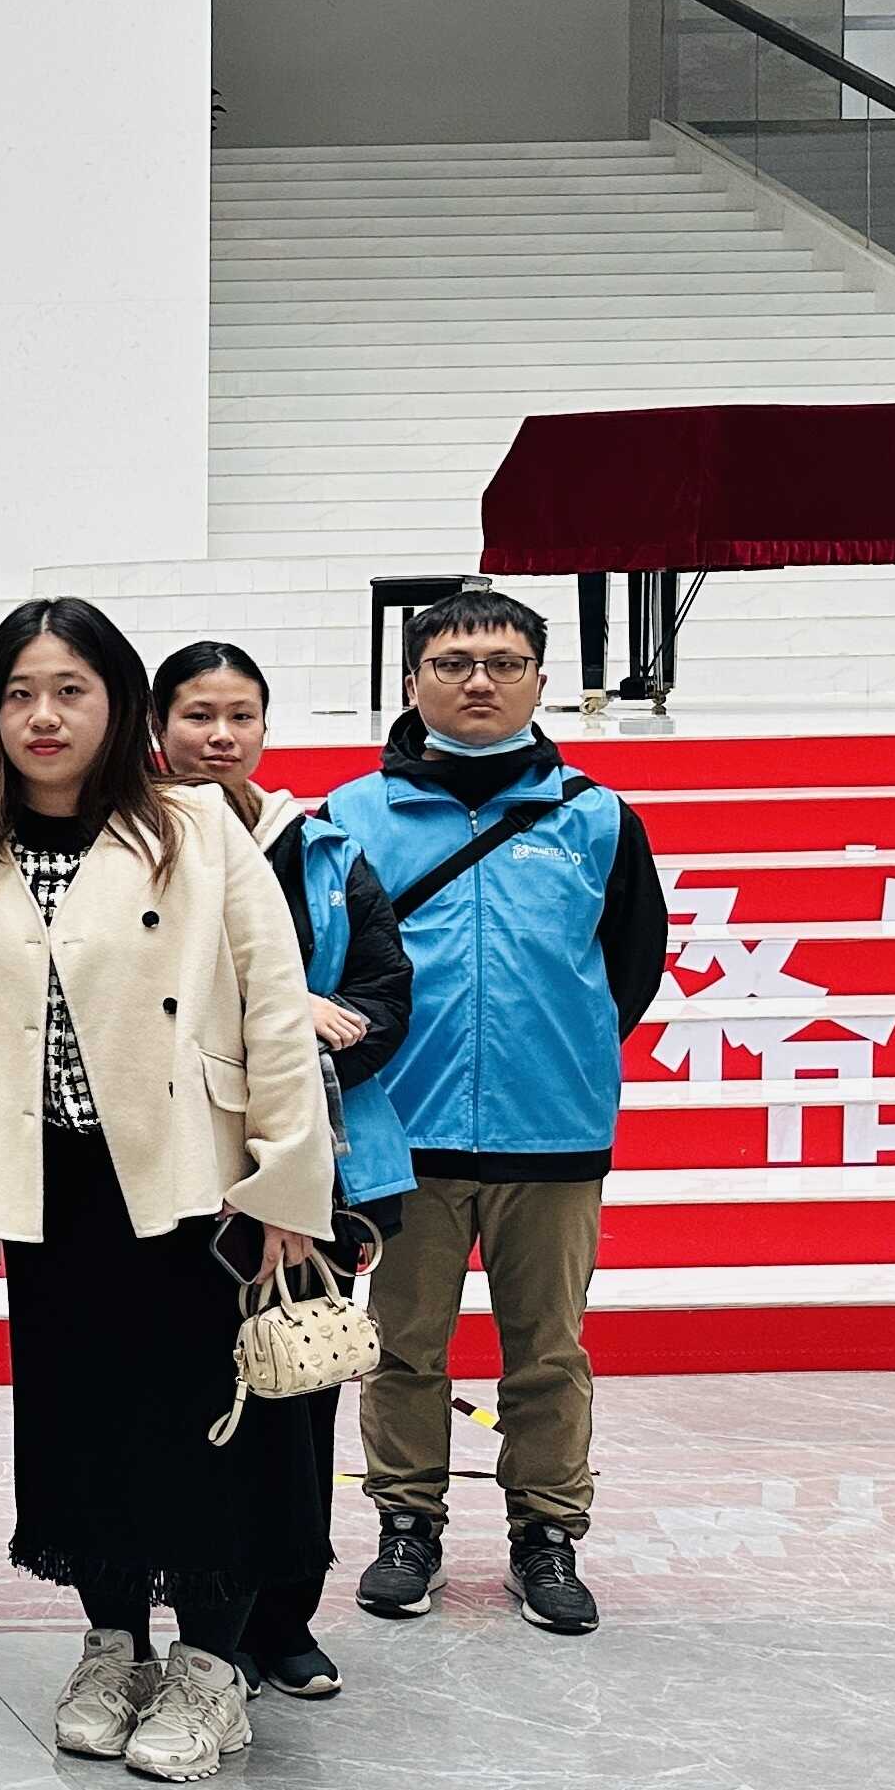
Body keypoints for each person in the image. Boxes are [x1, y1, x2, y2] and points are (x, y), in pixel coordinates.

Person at [0, 596, 335, 1786]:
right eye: (18, 693)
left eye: (70, 690)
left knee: (203, 1428)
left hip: (192, 1179)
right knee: (78, 1421)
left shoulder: (195, 825)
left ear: (119, 701)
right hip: (45, 1182)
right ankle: (112, 1644)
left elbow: (273, 1002)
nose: (42, 716)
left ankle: (209, 1664)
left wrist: (283, 1178)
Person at [322, 589, 663, 1640]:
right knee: (401, 1346)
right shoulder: (350, 816)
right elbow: (328, 968)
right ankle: (406, 1525)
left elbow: (629, 968)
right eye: (455, 661)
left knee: (547, 1350)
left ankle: (545, 1534)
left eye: (504, 662)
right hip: (402, 1132)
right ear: (411, 678)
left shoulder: (595, 816)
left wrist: (556, 1056)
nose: (480, 680)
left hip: (551, 1132)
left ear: (539, 682)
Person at [153, 639, 417, 1700]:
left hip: (321, 1163)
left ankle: (285, 1617)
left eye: (240, 716)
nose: (219, 736)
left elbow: (383, 998)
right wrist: (278, 1011)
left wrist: (296, 1049)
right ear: (156, 729)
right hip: (179, 1165)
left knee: (297, 1391)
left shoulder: (323, 851)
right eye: (196, 715)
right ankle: (201, 1616)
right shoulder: (133, 843)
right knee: (192, 1403)